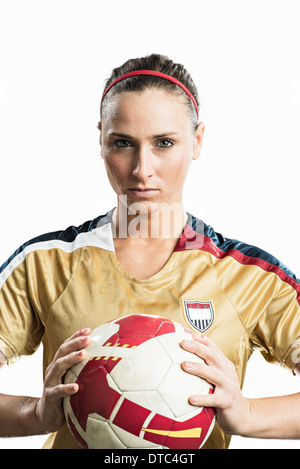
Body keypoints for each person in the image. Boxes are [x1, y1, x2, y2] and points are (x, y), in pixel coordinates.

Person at [0, 53, 300, 449]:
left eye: (164, 143)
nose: (142, 168)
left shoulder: (249, 276)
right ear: (101, 141)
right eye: (123, 143)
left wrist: (249, 415)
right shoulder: (44, 264)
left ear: (197, 141)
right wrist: (34, 414)